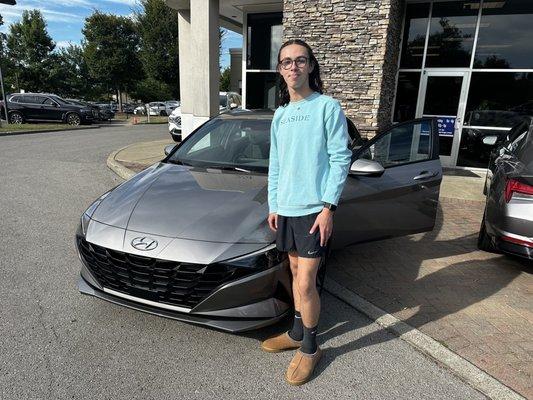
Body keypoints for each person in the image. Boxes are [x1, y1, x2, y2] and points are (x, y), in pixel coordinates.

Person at [262, 39, 352, 385]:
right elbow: (276, 165)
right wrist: (274, 204)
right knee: (295, 271)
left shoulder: (327, 107)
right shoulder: (281, 115)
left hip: (315, 210)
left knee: (305, 282)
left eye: (301, 61)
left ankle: (311, 349)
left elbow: (340, 158)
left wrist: (329, 207)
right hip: (286, 209)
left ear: (311, 66)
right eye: (287, 62)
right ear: (281, 70)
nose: (294, 67)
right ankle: (298, 333)